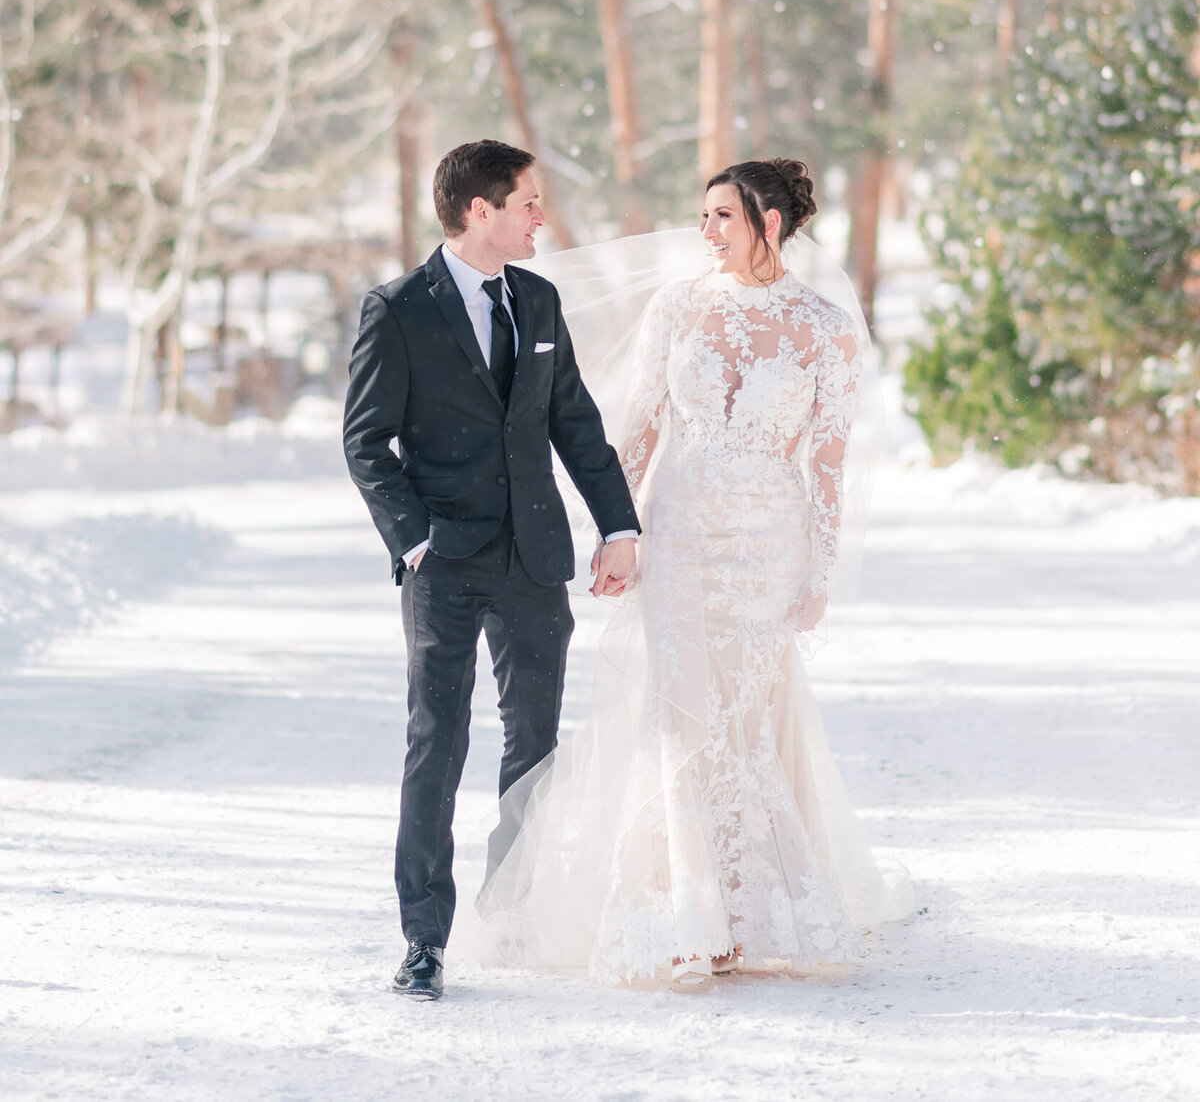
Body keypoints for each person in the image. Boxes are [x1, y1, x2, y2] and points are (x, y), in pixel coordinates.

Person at [472, 157, 912, 987]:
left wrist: (817, 568)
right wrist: (618, 529)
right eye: (702, 215)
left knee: (746, 717)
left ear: (769, 223)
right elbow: (635, 432)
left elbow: (826, 460)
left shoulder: (825, 326)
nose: (704, 232)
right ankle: (683, 916)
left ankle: (751, 908)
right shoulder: (677, 307)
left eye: (722, 217)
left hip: (767, 542)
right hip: (678, 530)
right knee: (676, 712)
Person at [342, 140, 640, 1000]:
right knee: (436, 742)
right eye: (528, 203)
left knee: (536, 745)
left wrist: (618, 521)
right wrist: (414, 538)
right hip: (443, 562)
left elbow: (574, 422)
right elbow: (366, 443)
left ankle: (514, 908)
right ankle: (425, 936)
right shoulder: (397, 310)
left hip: (534, 558)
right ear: (482, 210)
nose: (542, 217)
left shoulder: (539, 300)